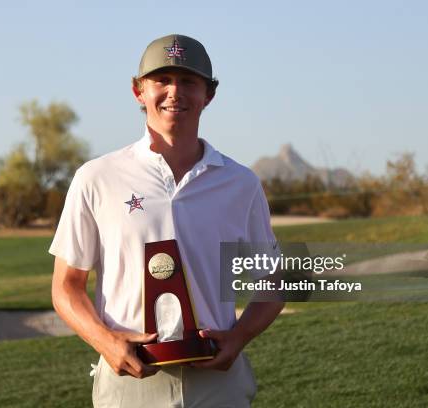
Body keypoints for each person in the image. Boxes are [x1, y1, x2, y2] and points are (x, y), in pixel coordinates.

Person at [50, 33, 284, 407]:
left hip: (215, 380)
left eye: (188, 81)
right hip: (129, 381)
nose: (174, 92)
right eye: (161, 80)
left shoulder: (240, 183)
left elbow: (273, 280)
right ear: (137, 91)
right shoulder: (97, 177)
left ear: (209, 94)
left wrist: (239, 337)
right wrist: (106, 342)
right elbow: (66, 286)